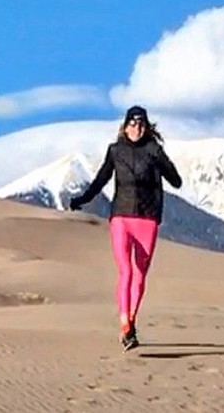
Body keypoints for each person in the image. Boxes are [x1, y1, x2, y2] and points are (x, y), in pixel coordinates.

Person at [69, 105, 182, 351]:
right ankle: (125, 325)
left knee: (140, 274)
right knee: (126, 272)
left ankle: (130, 322)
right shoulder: (115, 151)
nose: (137, 128)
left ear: (147, 127)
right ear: (125, 126)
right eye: (133, 123)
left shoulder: (154, 151)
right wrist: (82, 199)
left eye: (142, 124)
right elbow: (101, 180)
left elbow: (176, 181)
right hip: (121, 216)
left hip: (147, 218)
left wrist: (161, 159)